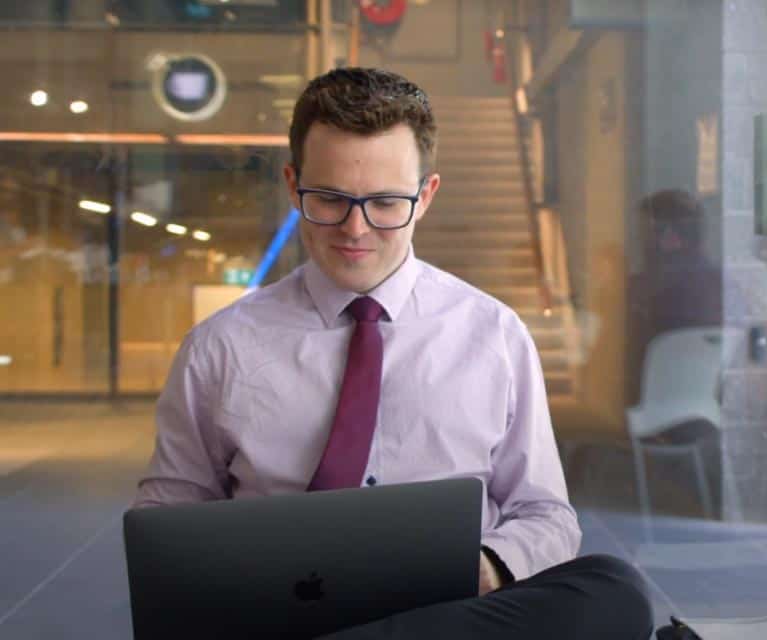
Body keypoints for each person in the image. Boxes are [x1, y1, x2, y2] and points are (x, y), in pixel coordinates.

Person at [133, 67, 652, 640]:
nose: (355, 229)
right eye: (329, 199)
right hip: (279, 613)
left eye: (384, 203)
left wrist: (487, 567)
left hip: (447, 611)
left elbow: (545, 514)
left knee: (612, 587)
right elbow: (169, 522)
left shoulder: (494, 335)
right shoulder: (219, 348)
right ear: (291, 184)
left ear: (425, 195)